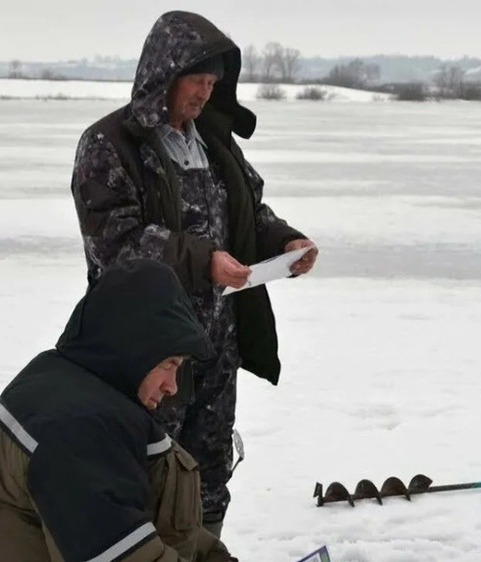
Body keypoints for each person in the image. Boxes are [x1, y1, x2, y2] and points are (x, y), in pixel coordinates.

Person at [70, 11, 318, 536]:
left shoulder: (214, 142)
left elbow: (250, 213)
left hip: (214, 352)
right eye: (196, 81)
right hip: (146, 357)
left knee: (208, 479)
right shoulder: (110, 144)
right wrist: (203, 259)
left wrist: (285, 242)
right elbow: (115, 245)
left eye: (212, 83)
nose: (205, 94)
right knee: (145, 476)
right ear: (165, 74)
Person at [0, 259, 237, 561]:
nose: (172, 386)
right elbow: (119, 553)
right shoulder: (76, 429)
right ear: (134, 347)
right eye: (169, 365)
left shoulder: (74, 386)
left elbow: (146, 518)